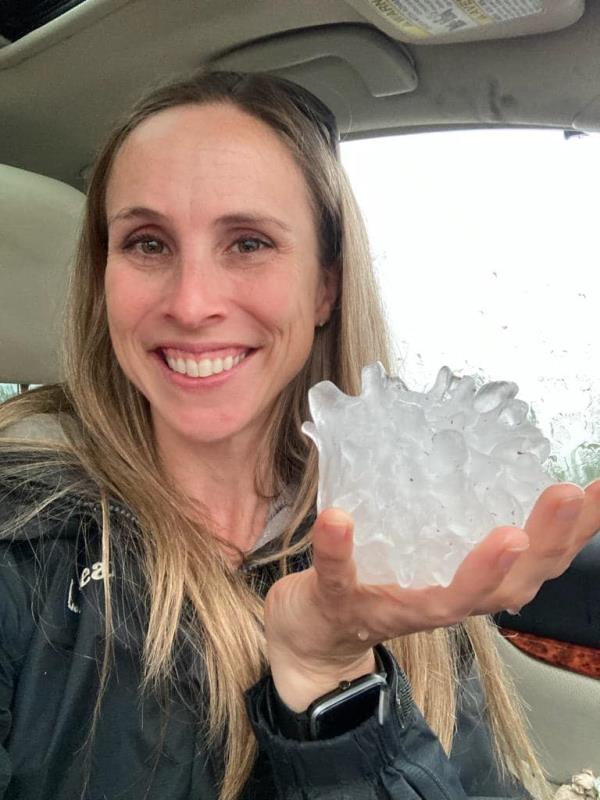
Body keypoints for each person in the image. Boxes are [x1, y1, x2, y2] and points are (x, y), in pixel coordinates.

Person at [0, 69, 598, 800]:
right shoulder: (20, 549)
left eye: (248, 242)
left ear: (325, 287)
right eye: (148, 243)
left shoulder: (403, 544)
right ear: (103, 277)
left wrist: (330, 684)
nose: (191, 304)